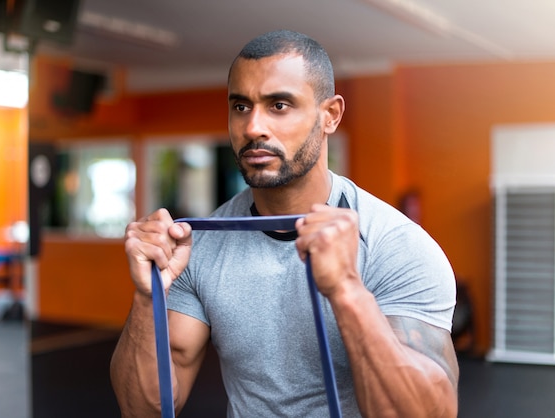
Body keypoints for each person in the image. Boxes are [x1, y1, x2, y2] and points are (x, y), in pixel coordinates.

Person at [110, 29, 459, 417]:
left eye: (279, 105)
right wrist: (147, 299)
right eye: (241, 106)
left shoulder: (395, 246)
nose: (253, 127)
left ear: (330, 115)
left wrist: (346, 290)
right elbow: (145, 409)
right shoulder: (201, 245)